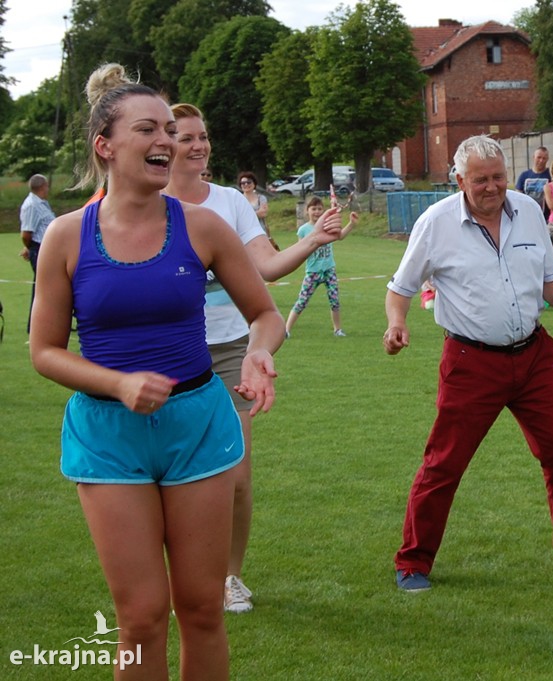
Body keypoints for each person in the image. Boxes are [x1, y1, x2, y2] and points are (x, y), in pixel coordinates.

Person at [29, 63, 285, 680]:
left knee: (201, 609)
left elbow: (265, 314)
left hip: (197, 424)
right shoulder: (67, 236)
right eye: (149, 129)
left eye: (170, 128)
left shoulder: (201, 225)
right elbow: (44, 351)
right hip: (107, 433)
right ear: (105, 145)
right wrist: (117, 383)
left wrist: (258, 351)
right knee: (142, 615)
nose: (168, 141)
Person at [383, 134, 553, 592]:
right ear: (460, 180)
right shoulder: (435, 223)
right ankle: (413, 561)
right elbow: (399, 288)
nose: (492, 187)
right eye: (481, 180)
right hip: (470, 362)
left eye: (499, 177)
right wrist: (396, 324)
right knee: (444, 462)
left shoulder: (527, 210)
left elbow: (549, 275)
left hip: (533, 356)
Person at [165, 102, 345, 613]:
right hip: (169, 350)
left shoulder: (228, 202)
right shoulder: (147, 202)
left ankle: (230, 578)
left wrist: (312, 239)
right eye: (187, 138)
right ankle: (176, 573)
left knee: (237, 477)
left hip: (230, 351)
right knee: (172, 473)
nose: (199, 146)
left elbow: (265, 267)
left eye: (204, 136)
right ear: (162, 143)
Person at [284, 195, 357, 338]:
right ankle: (286, 330)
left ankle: (337, 330)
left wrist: (351, 224)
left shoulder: (328, 225)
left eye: (319, 209)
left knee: (334, 301)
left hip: (329, 270)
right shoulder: (304, 230)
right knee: (302, 301)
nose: (317, 212)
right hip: (312, 272)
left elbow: (340, 236)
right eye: (313, 209)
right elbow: (300, 249)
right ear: (307, 211)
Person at [19, 174, 56, 334]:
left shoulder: (42, 204)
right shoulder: (31, 205)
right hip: (40, 249)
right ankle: (35, 327)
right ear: (43, 186)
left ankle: (53, 323)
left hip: (47, 248)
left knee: (52, 287)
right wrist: (30, 248)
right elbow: (26, 233)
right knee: (43, 288)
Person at [238, 170, 277, 249]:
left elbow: (263, 213)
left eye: (249, 182)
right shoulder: (238, 199)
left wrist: (247, 215)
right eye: (243, 183)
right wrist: (257, 213)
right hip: (244, 233)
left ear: (254, 183)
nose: (246, 184)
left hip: (261, 231)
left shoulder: (261, 198)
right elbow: (239, 217)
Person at [515, 145, 551, 217]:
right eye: (539, 157)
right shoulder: (524, 176)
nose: (541, 160)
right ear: (533, 157)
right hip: (527, 216)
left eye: (544, 158)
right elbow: (517, 198)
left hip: (546, 219)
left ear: (547, 159)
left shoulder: (551, 175)